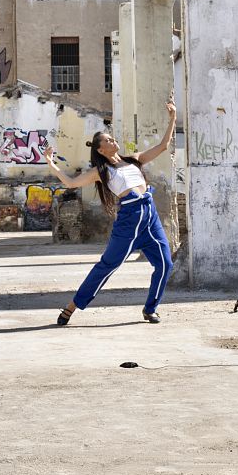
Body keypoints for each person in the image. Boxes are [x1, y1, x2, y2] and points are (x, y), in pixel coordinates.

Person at [46, 98, 177, 325]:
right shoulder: (101, 171)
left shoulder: (133, 160)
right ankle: (71, 307)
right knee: (108, 266)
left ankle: (150, 309)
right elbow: (70, 183)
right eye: (108, 139)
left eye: (112, 137)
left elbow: (163, 146)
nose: (113, 140)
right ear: (100, 149)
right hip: (129, 219)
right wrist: (51, 163)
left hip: (150, 215)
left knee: (165, 264)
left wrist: (173, 117)